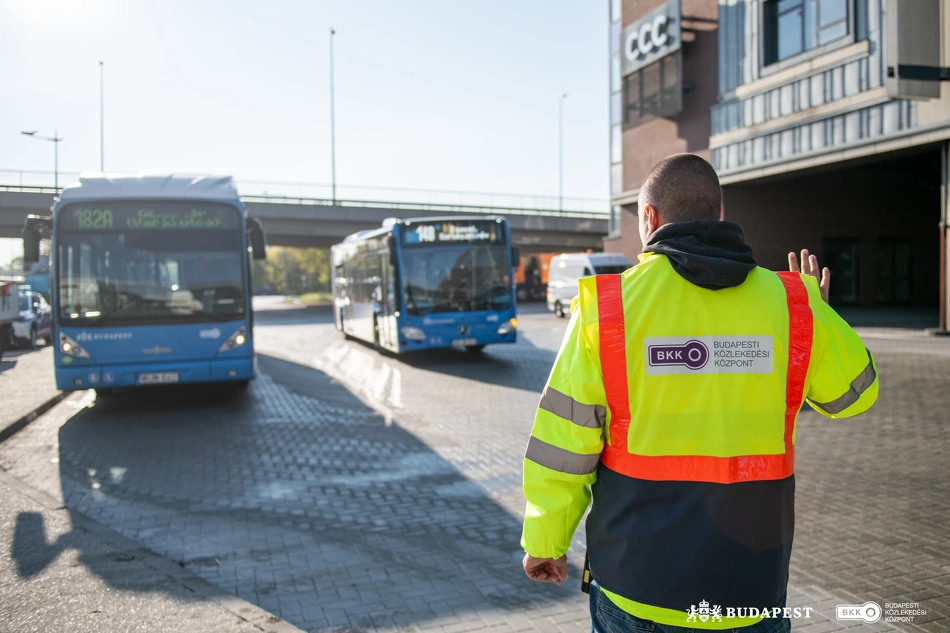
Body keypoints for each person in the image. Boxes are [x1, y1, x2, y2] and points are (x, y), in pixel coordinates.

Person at [520, 153, 878, 633]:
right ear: (720, 215)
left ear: (649, 218)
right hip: (751, 590)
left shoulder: (607, 310)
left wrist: (545, 542)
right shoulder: (793, 304)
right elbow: (855, 396)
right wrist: (819, 316)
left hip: (637, 587)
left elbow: (562, 449)